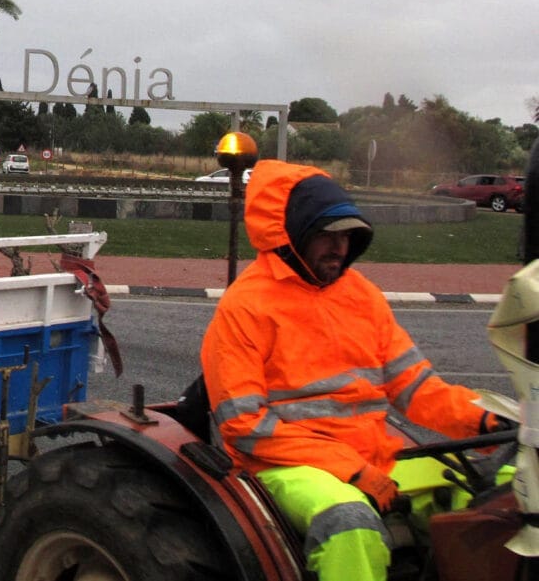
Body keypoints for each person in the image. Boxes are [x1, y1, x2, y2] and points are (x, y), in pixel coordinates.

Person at [200, 159, 511, 581]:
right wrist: (351, 469)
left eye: (347, 236)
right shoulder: (244, 307)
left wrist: (489, 422)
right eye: (326, 235)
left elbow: (417, 388)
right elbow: (245, 426)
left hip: (373, 457)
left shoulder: (362, 296)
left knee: (501, 491)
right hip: (285, 467)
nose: (339, 247)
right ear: (291, 234)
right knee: (349, 524)